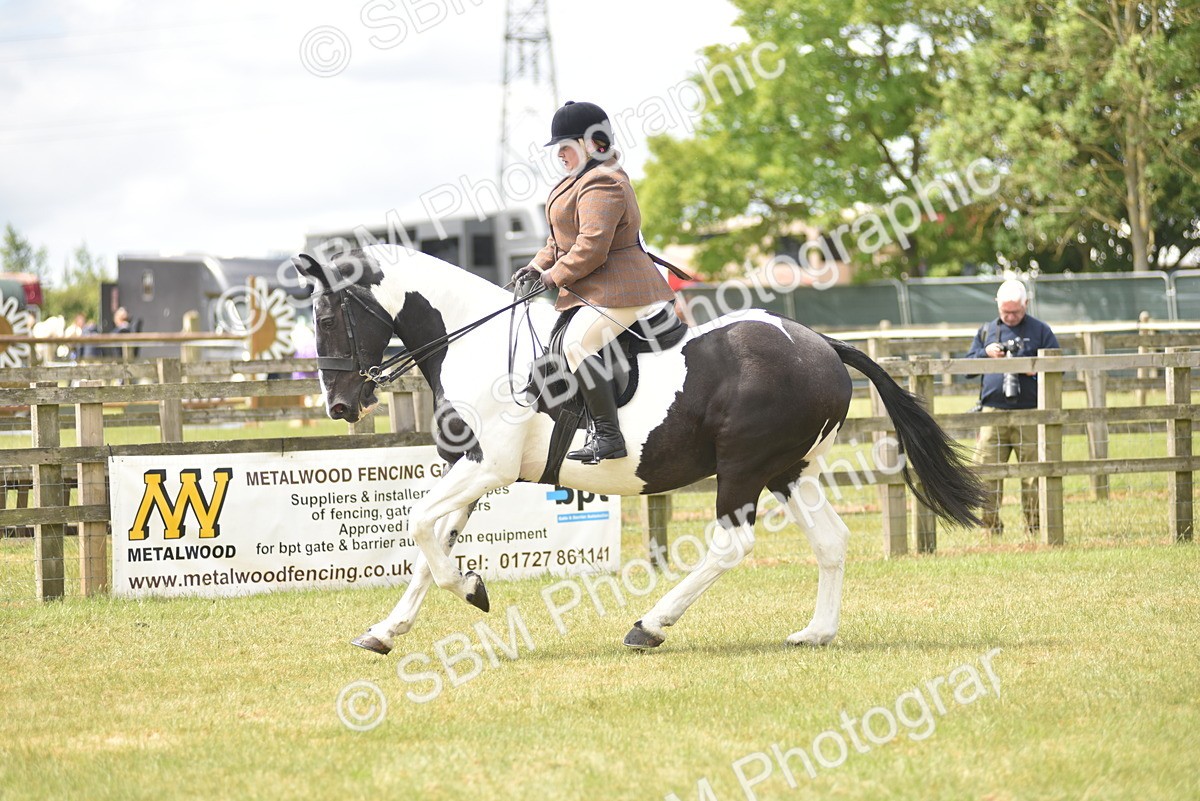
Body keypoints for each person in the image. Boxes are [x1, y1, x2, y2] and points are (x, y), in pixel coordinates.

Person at [513, 100, 676, 464]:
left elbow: (591, 248)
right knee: (556, 333)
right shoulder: (574, 182)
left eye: (566, 147)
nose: (560, 156)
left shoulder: (604, 181)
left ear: (590, 144)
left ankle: (608, 436)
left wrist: (551, 278)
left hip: (625, 288)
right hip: (597, 291)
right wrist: (534, 267)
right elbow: (558, 242)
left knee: (577, 344)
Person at [965, 279, 1060, 537]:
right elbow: (966, 369)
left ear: (1026, 304)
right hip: (992, 413)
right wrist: (986, 353)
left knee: (1033, 474)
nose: (1009, 316)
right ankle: (990, 530)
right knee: (985, 472)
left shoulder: (1041, 331)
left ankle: (1036, 529)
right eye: (1005, 311)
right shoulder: (986, 332)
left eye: (1015, 312)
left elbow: (1058, 366)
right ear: (997, 305)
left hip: (1030, 412)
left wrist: (1029, 367)